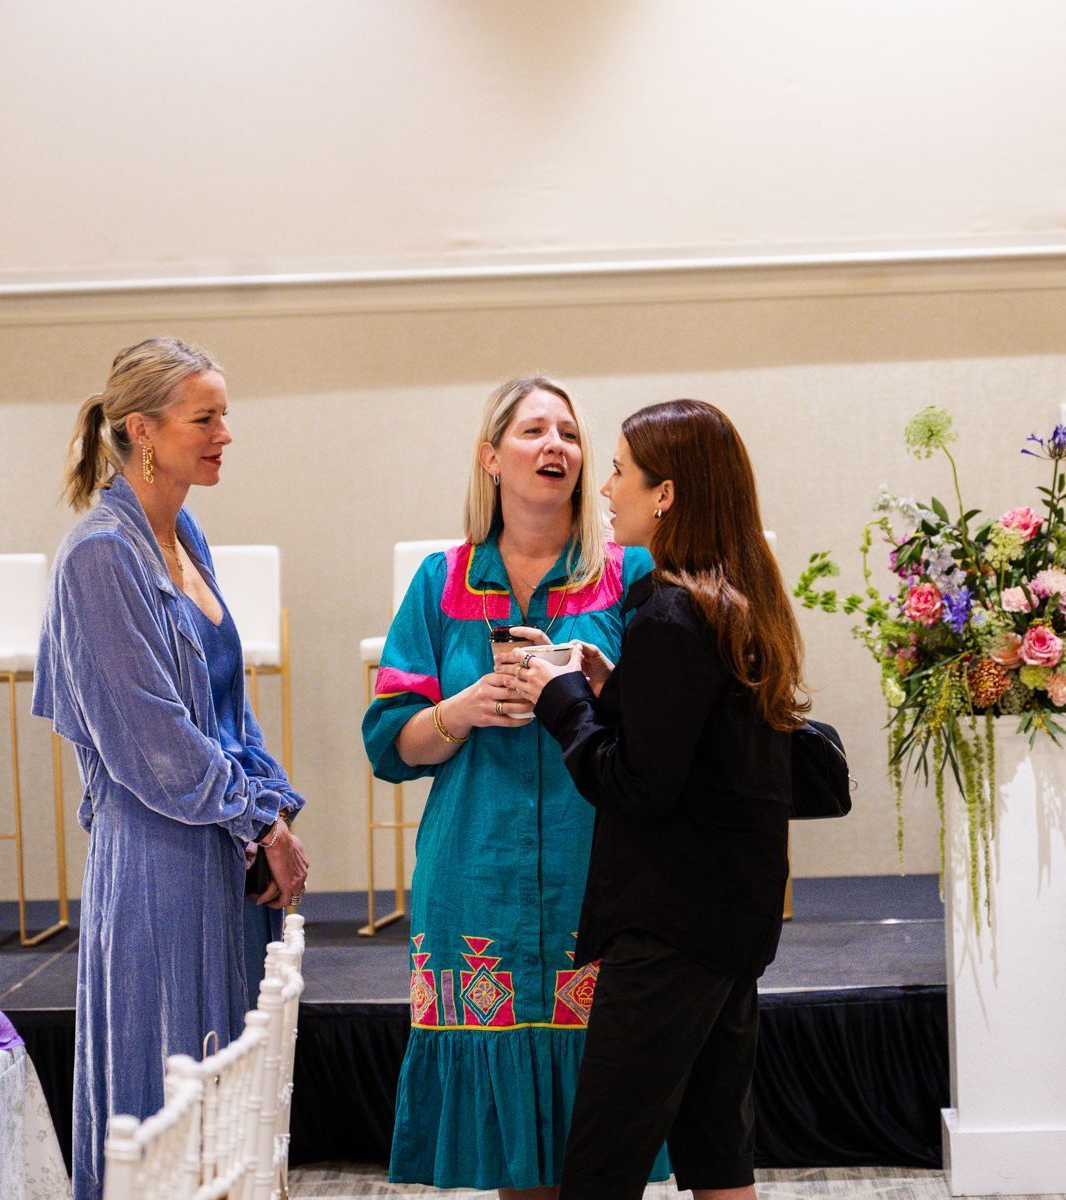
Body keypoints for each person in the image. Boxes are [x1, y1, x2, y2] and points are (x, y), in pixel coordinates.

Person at [362, 376, 669, 1196]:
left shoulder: (633, 575)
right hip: (475, 879)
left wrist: (602, 694)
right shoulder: (440, 580)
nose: (555, 447)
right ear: (491, 458)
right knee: (514, 1152)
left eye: (568, 433)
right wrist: (460, 711)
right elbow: (389, 746)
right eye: (534, 431)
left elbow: (672, 734)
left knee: (605, 1126)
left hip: (596, 872)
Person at [33, 337, 310, 1200]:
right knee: (166, 1113)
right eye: (207, 416)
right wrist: (255, 821)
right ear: (142, 431)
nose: (227, 432)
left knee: (224, 1113)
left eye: (225, 413)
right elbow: (155, 746)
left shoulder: (184, 533)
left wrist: (273, 810)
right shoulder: (99, 557)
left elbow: (230, 706)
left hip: (221, 847)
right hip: (158, 862)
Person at [514, 398, 807, 1200]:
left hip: (672, 926)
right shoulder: (736, 600)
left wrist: (562, 696)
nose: (605, 489)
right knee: (717, 1157)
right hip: (727, 919)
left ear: (666, 494)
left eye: (618, 471)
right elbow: (697, 747)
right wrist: (616, 691)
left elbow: (635, 786)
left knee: (601, 1170)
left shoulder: (674, 612)